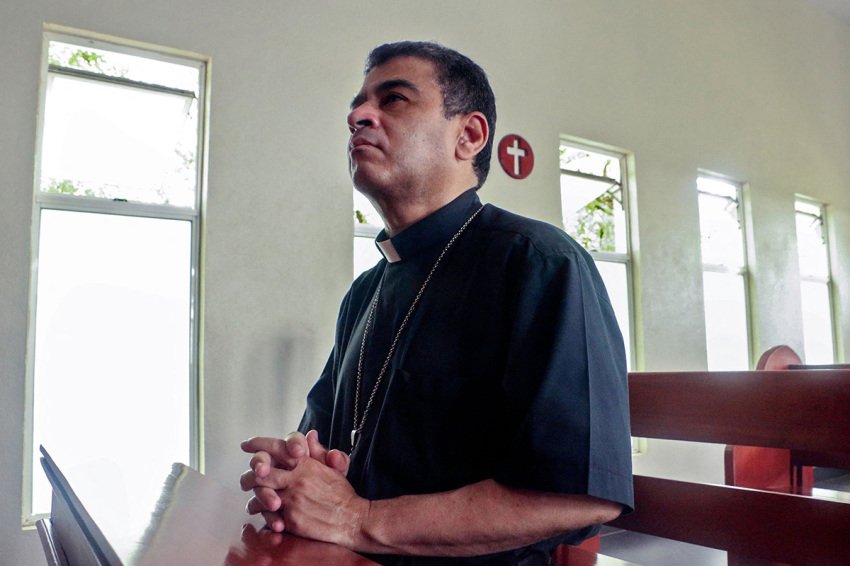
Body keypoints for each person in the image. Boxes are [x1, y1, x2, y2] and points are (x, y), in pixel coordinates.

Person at [240, 41, 633, 566]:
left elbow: (578, 491)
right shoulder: (365, 291)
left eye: (394, 99)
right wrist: (293, 474)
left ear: (468, 136)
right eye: (357, 105)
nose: (356, 116)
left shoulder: (540, 263)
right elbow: (321, 444)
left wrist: (359, 520)